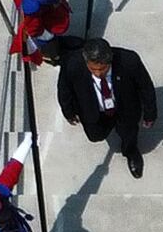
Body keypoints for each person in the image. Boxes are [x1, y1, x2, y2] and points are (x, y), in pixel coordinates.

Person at [56, 37, 156, 178]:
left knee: (128, 133)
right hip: (92, 109)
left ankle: (130, 151)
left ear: (110, 61)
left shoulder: (129, 60)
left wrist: (150, 114)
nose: (98, 73)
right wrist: (69, 112)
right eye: (93, 69)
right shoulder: (71, 64)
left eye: (102, 69)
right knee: (95, 135)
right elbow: (64, 90)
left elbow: (146, 87)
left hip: (125, 107)